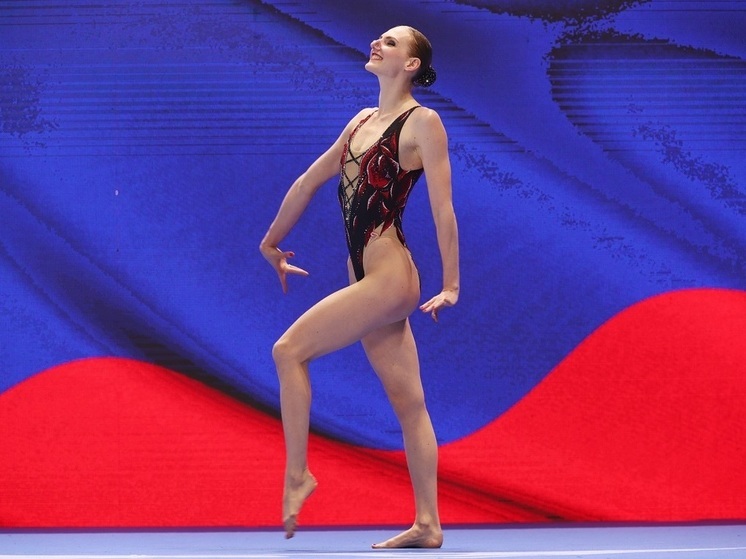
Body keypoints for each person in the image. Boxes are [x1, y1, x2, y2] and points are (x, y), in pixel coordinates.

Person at [259, 25, 459, 549]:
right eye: (379, 38)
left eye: (391, 42)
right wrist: (271, 243)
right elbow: (307, 182)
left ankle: (298, 475)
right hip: (366, 276)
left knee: (288, 351)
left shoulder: (424, 122)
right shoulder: (361, 121)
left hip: (391, 276)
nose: (377, 43)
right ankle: (428, 524)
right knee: (409, 403)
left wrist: (452, 284)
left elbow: (443, 208)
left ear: (412, 64)